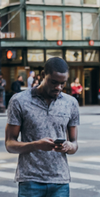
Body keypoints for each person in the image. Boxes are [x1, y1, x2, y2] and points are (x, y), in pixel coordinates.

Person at [5, 57, 79, 197]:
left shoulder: (71, 103)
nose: (58, 87)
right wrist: (35, 145)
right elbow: (9, 144)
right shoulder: (19, 101)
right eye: (54, 82)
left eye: (62, 83)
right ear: (43, 75)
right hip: (30, 180)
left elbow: (75, 144)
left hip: (60, 181)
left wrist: (68, 146)